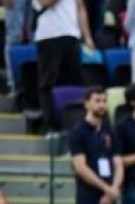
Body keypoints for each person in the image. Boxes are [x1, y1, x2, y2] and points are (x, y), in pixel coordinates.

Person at [33, 0, 92, 134]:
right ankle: (49, 124)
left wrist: (87, 37)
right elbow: (44, 3)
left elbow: (80, 7)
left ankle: (72, 122)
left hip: (72, 35)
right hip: (49, 35)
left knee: (74, 81)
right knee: (49, 82)